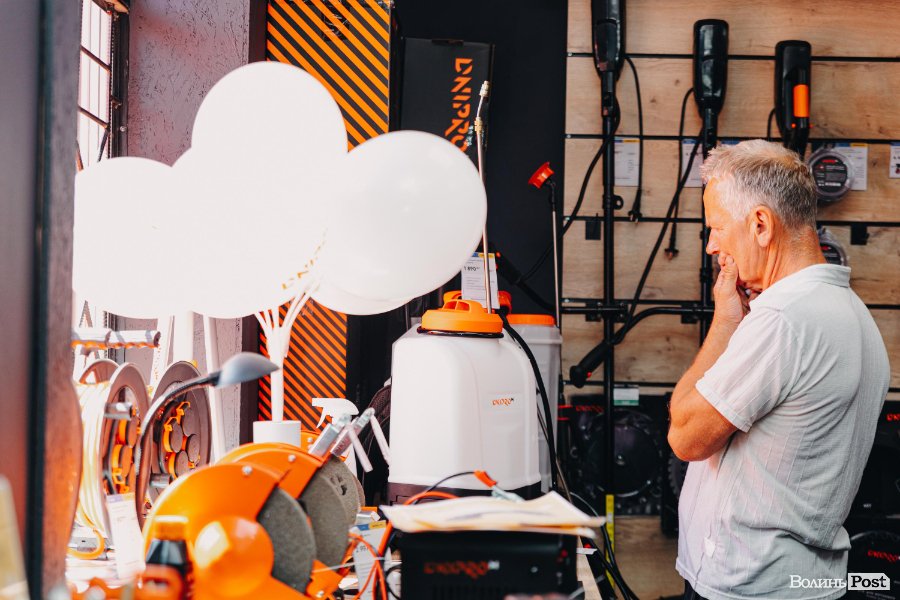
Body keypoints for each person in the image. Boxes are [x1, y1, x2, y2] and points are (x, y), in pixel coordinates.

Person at [667, 140, 890, 600]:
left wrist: (725, 322)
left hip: (749, 586)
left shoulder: (784, 320)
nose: (711, 246)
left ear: (761, 225)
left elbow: (686, 436)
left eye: (716, 228)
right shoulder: (854, 315)